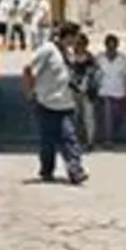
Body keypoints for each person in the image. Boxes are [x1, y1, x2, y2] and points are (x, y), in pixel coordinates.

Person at [23, 20, 88, 184]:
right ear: (68, 36)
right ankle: (47, 170)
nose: (76, 41)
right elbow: (28, 68)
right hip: (47, 103)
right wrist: (30, 91)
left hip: (66, 103)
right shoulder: (48, 50)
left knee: (70, 137)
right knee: (48, 141)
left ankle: (75, 170)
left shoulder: (68, 53)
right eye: (75, 37)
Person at [94, 33, 126, 148]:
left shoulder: (122, 58)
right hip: (104, 92)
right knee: (107, 116)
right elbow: (93, 73)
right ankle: (108, 139)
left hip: (119, 93)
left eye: (113, 46)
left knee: (117, 117)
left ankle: (112, 134)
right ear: (105, 46)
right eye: (109, 46)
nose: (111, 49)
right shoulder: (99, 58)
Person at [69, 32, 102, 148]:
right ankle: (75, 139)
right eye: (77, 44)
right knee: (74, 117)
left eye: (81, 44)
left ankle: (90, 141)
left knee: (89, 117)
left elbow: (96, 75)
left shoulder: (91, 59)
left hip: (87, 92)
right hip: (72, 91)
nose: (79, 46)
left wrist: (89, 85)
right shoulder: (70, 58)